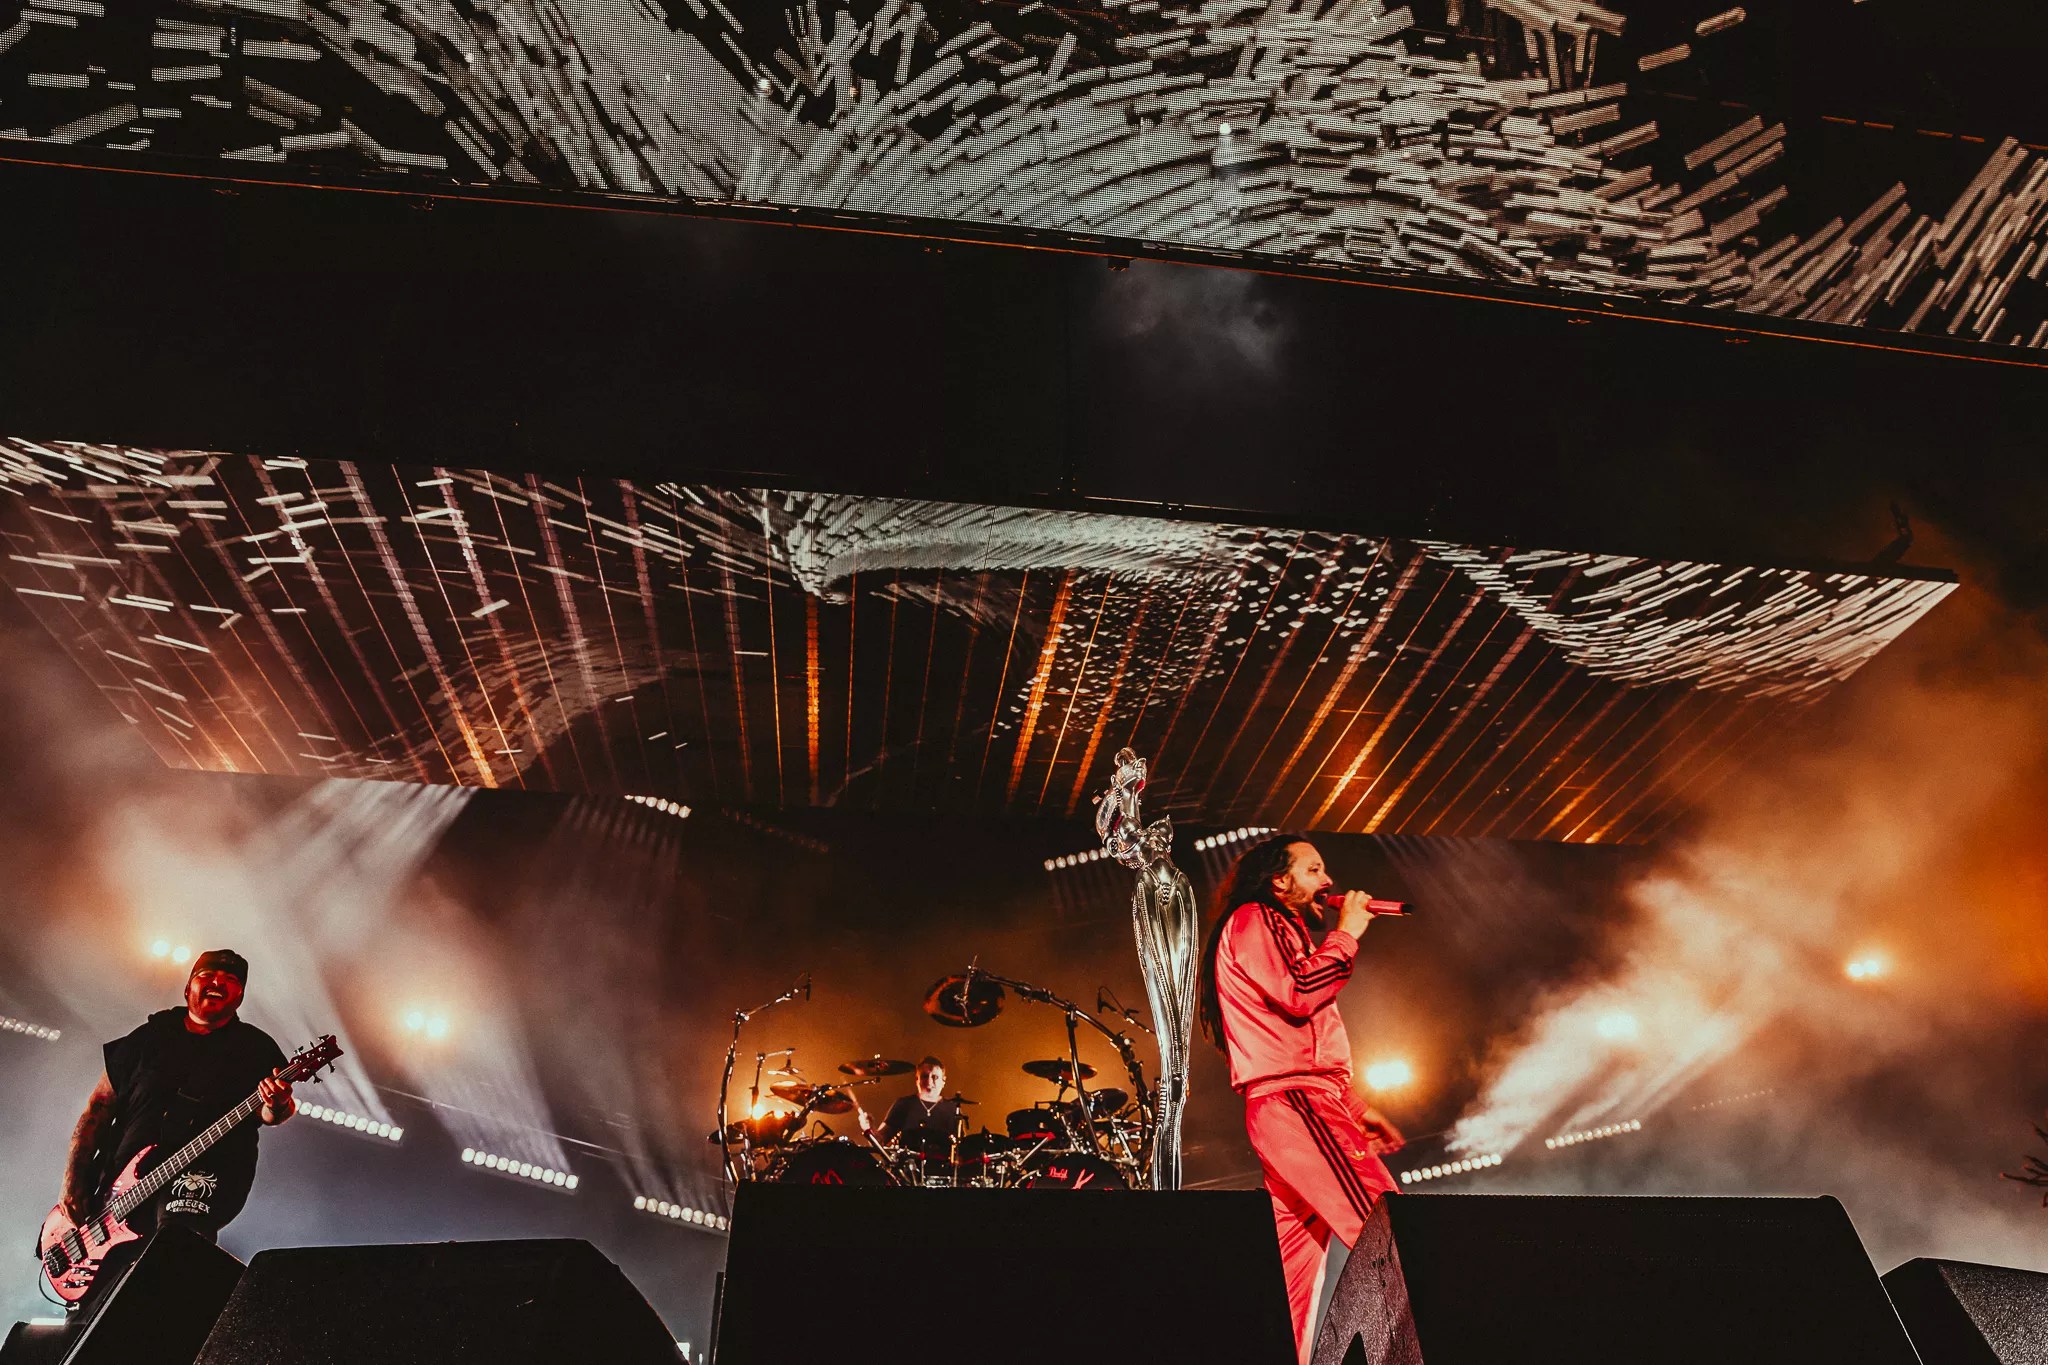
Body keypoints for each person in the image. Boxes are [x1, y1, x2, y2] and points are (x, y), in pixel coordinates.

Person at [1197, 835, 1405, 1362]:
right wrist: (1347, 935)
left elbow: (1292, 1038)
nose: (1329, 882)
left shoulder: (1272, 928)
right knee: (1391, 1232)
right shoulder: (1257, 918)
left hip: (1294, 1102)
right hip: (1295, 1101)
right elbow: (1299, 992)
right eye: (1314, 870)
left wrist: (1353, 1108)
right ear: (1279, 880)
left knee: (1292, 1279)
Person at [57, 949, 297, 1319]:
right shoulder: (149, 1037)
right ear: (188, 988)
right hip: (115, 1195)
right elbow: (97, 1109)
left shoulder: (256, 1048)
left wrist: (278, 1103)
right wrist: (73, 1181)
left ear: (240, 997)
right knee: (91, 1314)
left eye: (231, 981)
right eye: (209, 975)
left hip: (198, 1180)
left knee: (172, 1257)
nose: (218, 983)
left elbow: (273, 1113)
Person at [856, 1057, 960, 1172]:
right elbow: (880, 1142)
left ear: (943, 1081)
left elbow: (962, 1150)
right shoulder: (903, 1105)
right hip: (907, 1176)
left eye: (935, 1077)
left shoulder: (953, 1109)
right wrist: (869, 1129)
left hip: (943, 1175)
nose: (930, 1082)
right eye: (925, 1076)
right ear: (917, 1079)